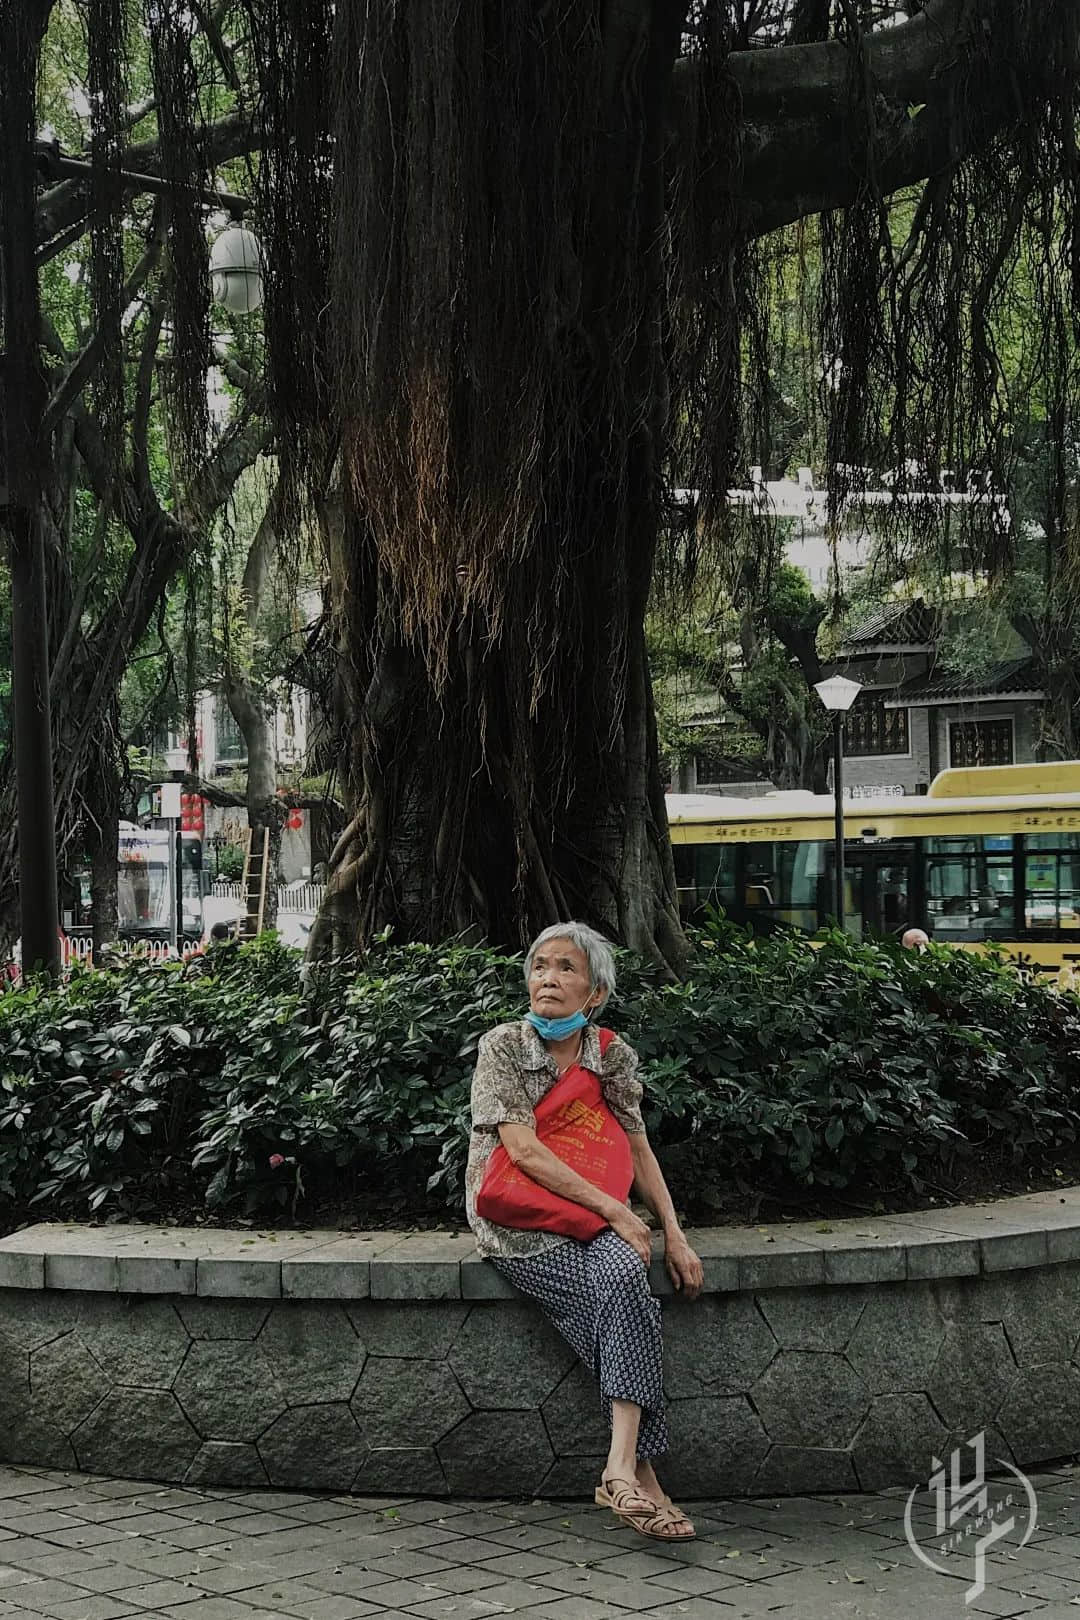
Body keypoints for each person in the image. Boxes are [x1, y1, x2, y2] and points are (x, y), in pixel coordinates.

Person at [466, 921, 704, 1541]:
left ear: (594, 992)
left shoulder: (611, 1055)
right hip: (519, 1222)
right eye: (540, 966)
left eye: (567, 968)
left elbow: (638, 1146)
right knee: (621, 1306)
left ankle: (619, 1466)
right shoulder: (505, 1046)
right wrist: (620, 1213)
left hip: (593, 1216)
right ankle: (644, 1476)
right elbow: (522, 1151)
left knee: (625, 1275)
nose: (549, 978)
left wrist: (674, 1234)